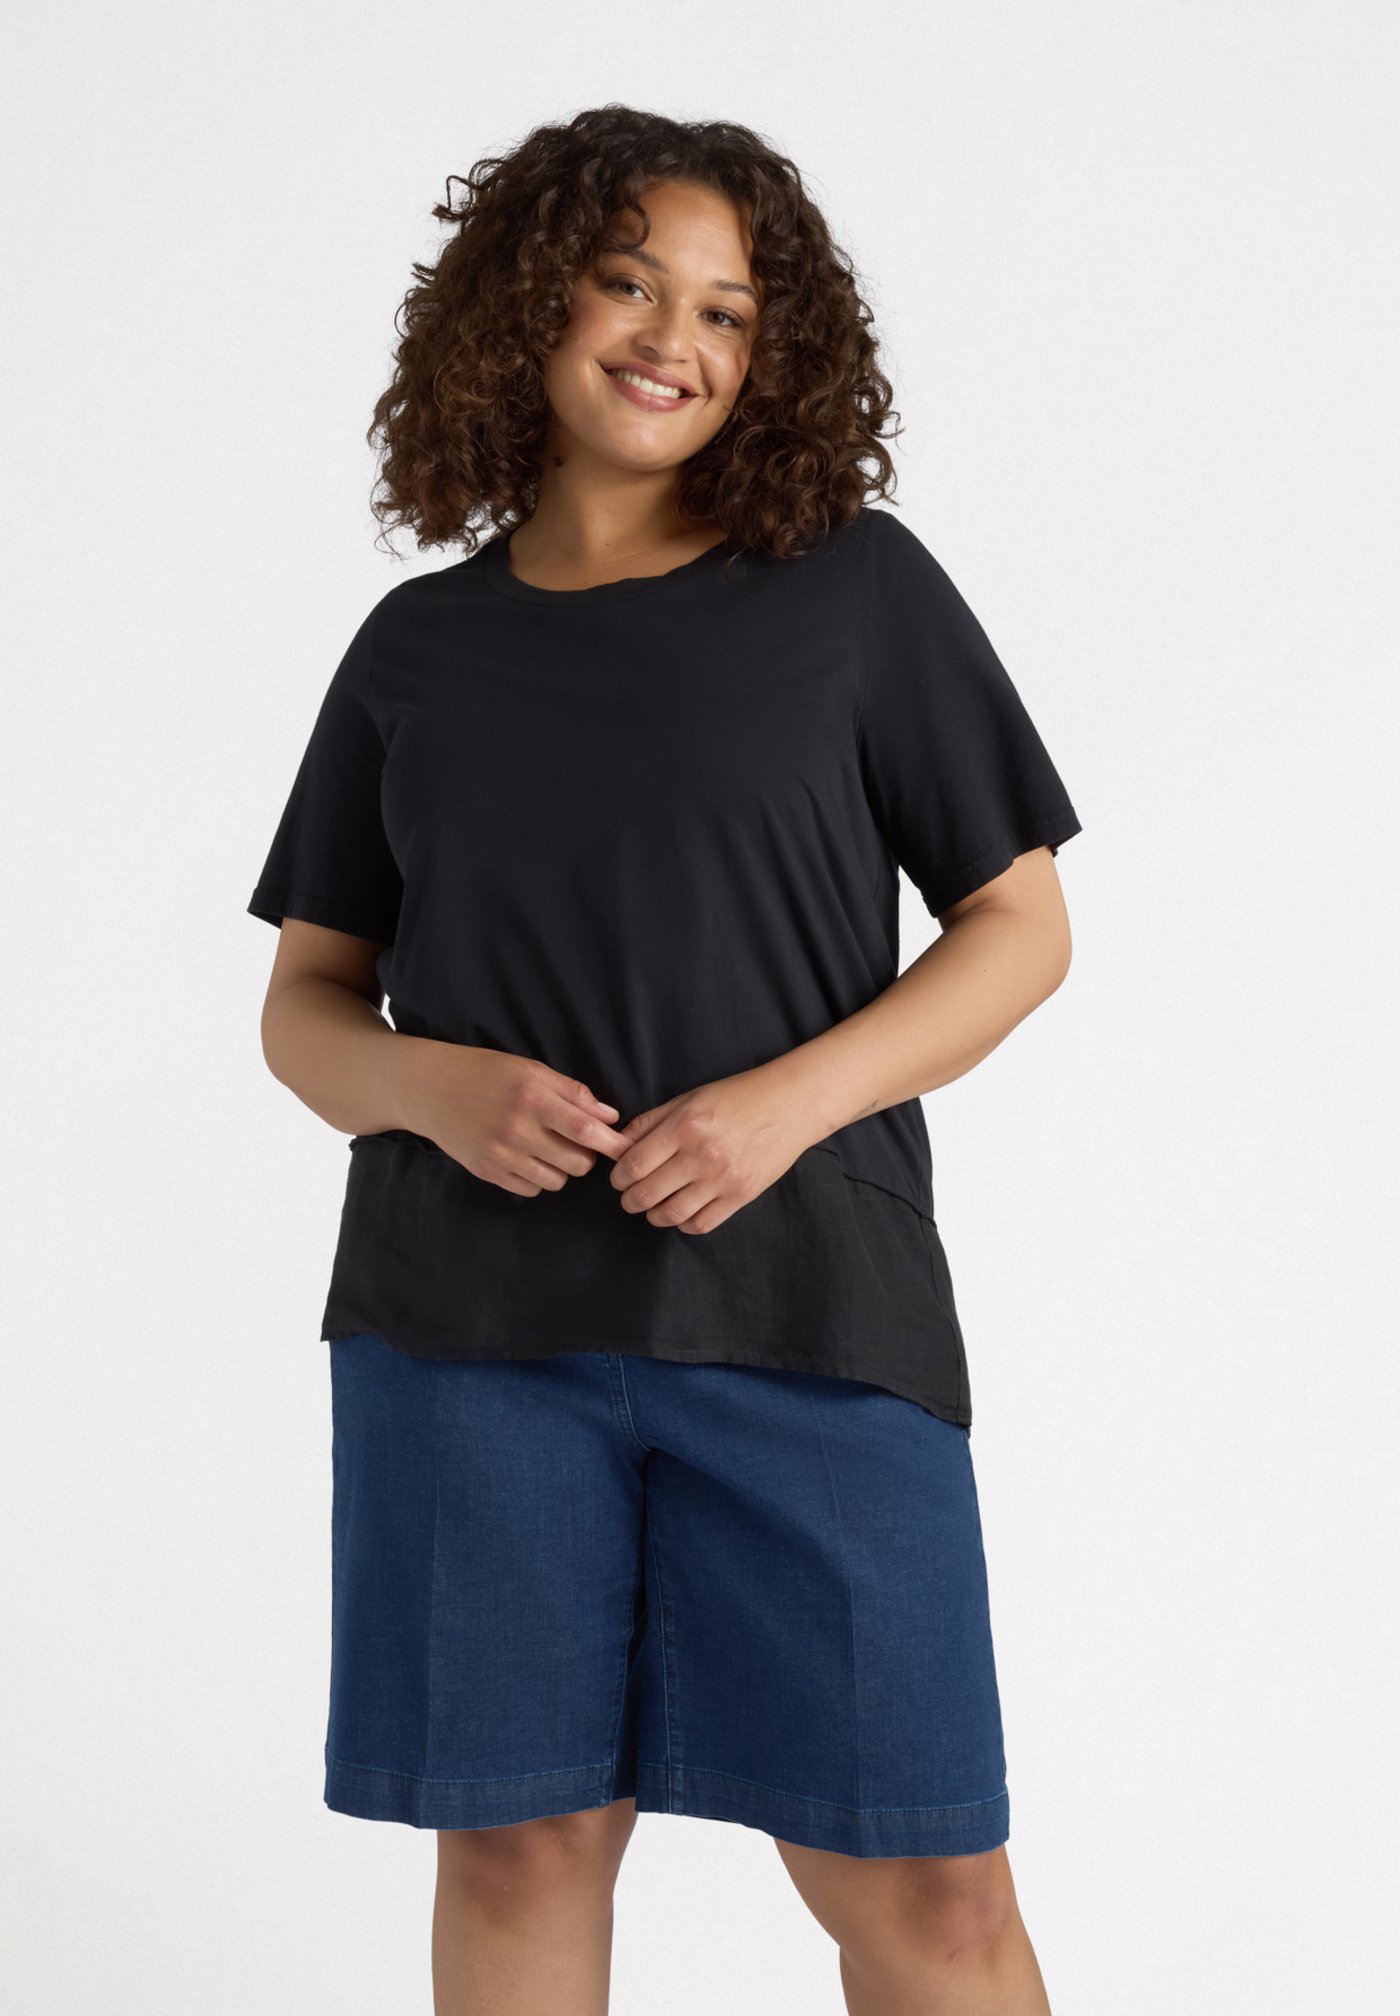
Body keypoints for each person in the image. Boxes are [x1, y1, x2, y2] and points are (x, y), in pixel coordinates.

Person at [247, 105, 1081, 2016]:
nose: (673, 339)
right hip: (467, 1339)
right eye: (631, 283)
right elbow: (307, 1007)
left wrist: (787, 1106)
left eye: (726, 311)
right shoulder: (416, 649)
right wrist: (435, 1085)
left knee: (929, 1884)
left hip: (808, 1316)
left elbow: (1021, 928)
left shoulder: (854, 590)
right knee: (519, 1848)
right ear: (532, 303)